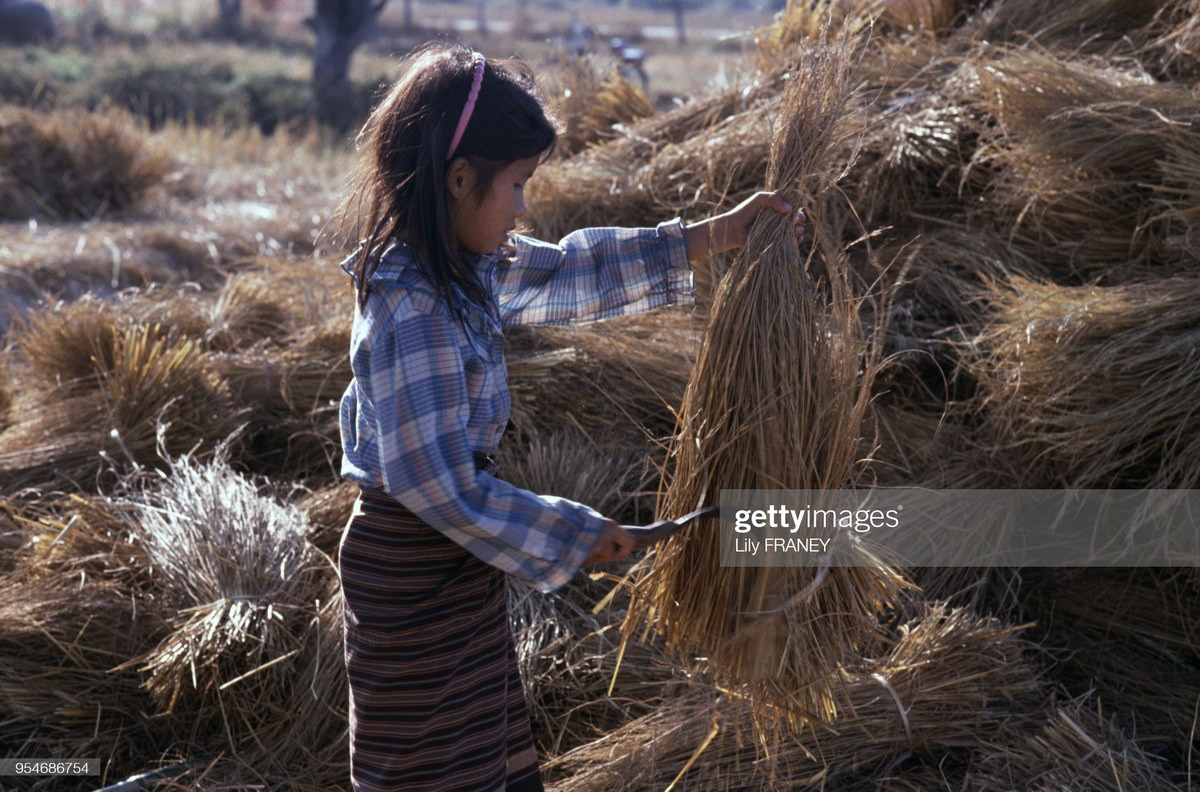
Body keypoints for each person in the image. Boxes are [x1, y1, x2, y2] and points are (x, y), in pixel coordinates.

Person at [335, 43, 807, 792]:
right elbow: (440, 490)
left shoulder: (460, 266)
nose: (523, 206)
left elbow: (571, 270)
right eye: (516, 185)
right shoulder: (415, 307)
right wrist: (574, 532)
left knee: (484, 763)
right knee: (429, 771)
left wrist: (713, 235)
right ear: (461, 179)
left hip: (457, 558)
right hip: (413, 574)